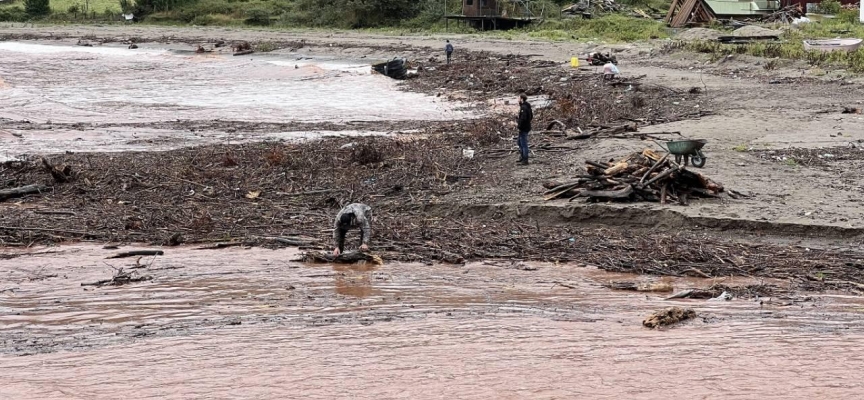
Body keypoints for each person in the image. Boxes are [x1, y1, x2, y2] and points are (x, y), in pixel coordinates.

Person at [516, 93, 533, 165]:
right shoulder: (527, 106)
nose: (517, 100)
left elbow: (523, 119)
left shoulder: (524, 108)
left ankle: (525, 160)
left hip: (523, 128)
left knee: (523, 144)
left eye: (518, 98)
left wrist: (519, 126)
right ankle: (522, 156)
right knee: (519, 142)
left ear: (522, 99)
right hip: (526, 127)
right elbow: (531, 116)